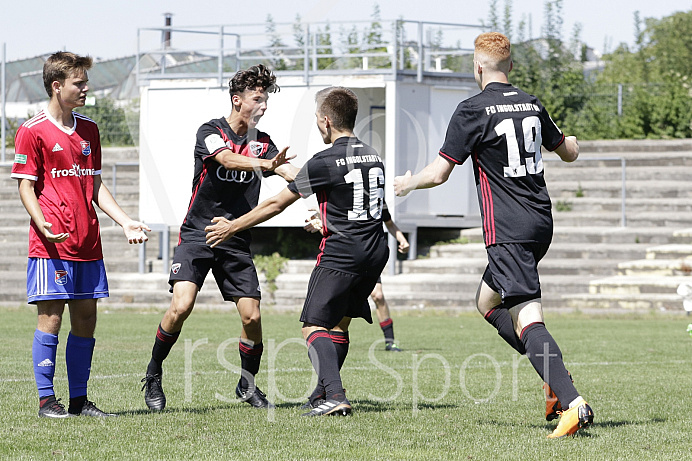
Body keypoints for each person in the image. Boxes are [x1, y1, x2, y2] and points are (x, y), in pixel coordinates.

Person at [394, 32, 594, 439]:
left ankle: (573, 403)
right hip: (540, 223)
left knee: (526, 315)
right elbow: (568, 151)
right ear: (512, 67)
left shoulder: (472, 109)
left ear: (477, 66)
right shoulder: (532, 103)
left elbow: (439, 172)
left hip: (508, 229)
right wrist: (571, 141)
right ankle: (551, 370)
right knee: (486, 301)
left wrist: (408, 184)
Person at [206, 86, 388, 416]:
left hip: (343, 251)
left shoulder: (324, 160)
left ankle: (334, 394)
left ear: (326, 121)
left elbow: (277, 203)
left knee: (313, 325)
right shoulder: (373, 155)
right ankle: (321, 394)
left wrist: (232, 226)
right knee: (339, 325)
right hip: (375, 248)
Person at [140, 64, 297, 411]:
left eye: (266, 99)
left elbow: (288, 171)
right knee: (180, 307)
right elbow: (225, 158)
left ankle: (248, 384)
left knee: (252, 317)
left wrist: (322, 176)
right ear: (237, 100)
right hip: (198, 233)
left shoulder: (264, 144)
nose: (264, 106)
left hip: (236, 238)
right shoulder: (210, 131)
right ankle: (153, 373)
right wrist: (267, 166)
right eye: (258, 99)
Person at [11, 51, 150, 418]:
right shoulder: (32, 130)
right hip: (51, 244)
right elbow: (26, 186)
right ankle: (46, 400)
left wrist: (124, 221)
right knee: (52, 317)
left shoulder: (90, 129)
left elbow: (96, 185)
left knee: (86, 319)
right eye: (79, 82)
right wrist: (41, 222)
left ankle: (78, 401)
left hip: (88, 242)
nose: (87, 88)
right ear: (57, 86)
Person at [303, 204, 409, 351]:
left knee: (378, 295)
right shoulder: (346, 198)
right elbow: (342, 235)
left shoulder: (375, 197)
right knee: (338, 316)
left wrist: (402, 239)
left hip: (369, 255)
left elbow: (389, 222)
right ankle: (330, 346)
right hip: (350, 258)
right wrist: (322, 224)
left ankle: (389, 341)